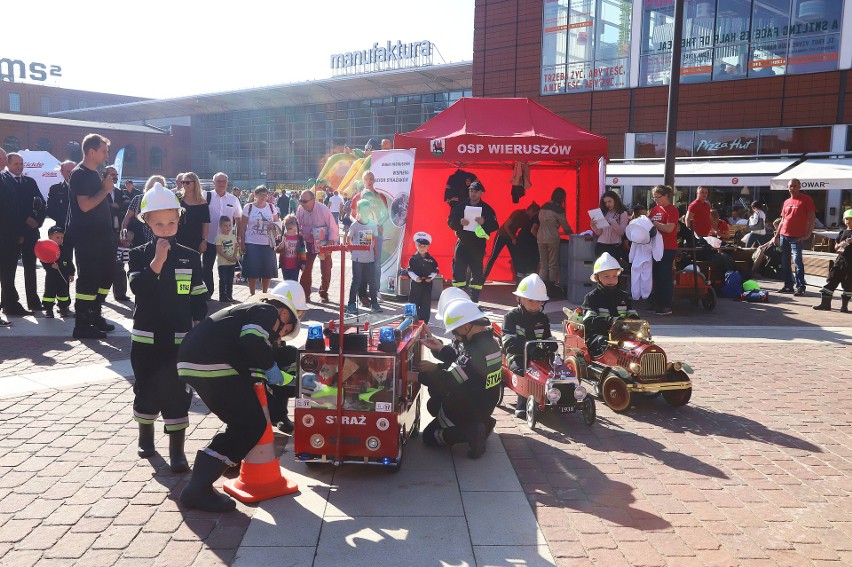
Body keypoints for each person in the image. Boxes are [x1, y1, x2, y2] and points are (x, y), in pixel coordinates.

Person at [177, 292, 300, 512]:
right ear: (283, 313)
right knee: (251, 424)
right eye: (285, 330)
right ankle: (197, 489)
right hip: (211, 363)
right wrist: (272, 369)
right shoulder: (267, 311)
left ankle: (225, 461)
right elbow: (252, 341)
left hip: (195, 362)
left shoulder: (242, 314)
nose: (280, 337)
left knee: (239, 421)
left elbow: (243, 349)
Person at [128, 182, 208, 473]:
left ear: (179, 220)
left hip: (179, 337)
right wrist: (157, 262)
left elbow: (199, 293)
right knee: (147, 387)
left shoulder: (189, 255)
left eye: (171, 222)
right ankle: (145, 436)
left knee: (177, 391)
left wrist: (200, 323)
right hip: (147, 338)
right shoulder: (138, 254)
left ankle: (177, 450)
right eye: (158, 223)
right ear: (146, 221)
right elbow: (139, 288)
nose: (165, 228)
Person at [417, 298, 501, 459]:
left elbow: (449, 380)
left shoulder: (475, 350)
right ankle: (484, 424)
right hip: (485, 404)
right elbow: (464, 363)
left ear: (465, 327)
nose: (455, 337)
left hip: (469, 408)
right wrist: (440, 348)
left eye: (455, 331)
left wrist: (418, 376)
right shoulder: (490, 343)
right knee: (435, 404)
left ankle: (470, 433)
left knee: (429, 436)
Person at [66, 134, 116, 339]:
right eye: (104, 151)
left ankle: (95, 312)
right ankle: (82, 323)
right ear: (91, 151)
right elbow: (85, 205)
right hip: (88, 237)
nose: (107, 155)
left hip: (102, 236)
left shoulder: (95, 173)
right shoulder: (80, 174)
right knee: (89, 279)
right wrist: (105, 190)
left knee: (107, 275)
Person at [501, 273, 554, 419]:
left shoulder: (542, 319)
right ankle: (522, 402)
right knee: (523, 370)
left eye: (539, 302)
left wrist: (551, 345)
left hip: (539, 356)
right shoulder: (511, 317)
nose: (535, 306)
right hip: (517, 355)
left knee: (554, 370)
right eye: (530, 300)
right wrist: (530, 349)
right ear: (519, 299)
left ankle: (554, 395)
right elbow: (509, 343)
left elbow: (547, 337)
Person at [3, 153, 46, 313]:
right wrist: (24, 221)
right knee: (9, 270)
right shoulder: (3, 181)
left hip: (31, 233)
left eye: (21, 164)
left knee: (30, 267)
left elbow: (41, 203)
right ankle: (9, 303)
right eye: (16, 164)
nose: (20, 167)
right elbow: (7, 209)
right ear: (8, 164)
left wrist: (37, 221)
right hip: (12, 233)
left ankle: (33, 301)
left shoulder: (29, 181)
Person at [448, 180, 498, 302]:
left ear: (481, 193)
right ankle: (458, 298)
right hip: (462, 243)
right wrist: (459, 222)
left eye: (476, 191)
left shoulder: (487, 209)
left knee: (477, 271)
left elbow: (495, 226)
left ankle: (474, 299)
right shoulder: (460, 206)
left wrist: (484, 222)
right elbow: (450, 221)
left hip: (477, 245)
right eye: (471, 190)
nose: (473, 193)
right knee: (458, 270)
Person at [582, 252, 638, 358]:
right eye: (606, 276)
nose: (611, 280)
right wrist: (611, 321)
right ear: (597, 278)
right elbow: (589, 321)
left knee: (640, 342)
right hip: (598, 336)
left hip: (621, 335)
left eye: (614, 276)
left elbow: (633, 316)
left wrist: (634, 322)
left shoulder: (624, 297)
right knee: (605, 343)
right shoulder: (592, 297)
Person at [201, 172, 243, 300]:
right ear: (213, 183)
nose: (221, 184)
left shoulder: (233, 199)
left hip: (226, 241)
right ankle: (208, 292)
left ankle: (225, 295)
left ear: (227, 183)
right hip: (209, 239)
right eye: (218, 181)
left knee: (226, 268)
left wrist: (238, 238)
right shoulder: (205, 196)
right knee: (207, 267)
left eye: (224, 181)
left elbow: (239, 220)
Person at [773, 178, 816, 296]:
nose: (792, 188)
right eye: (790, 186)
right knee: (785, 262)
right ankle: (788, 286)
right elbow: (782, 220)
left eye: (794, 186)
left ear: (799, 187)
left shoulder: (806, 199)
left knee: (797, 262)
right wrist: (776, 235)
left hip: (797, 237)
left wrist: (808, 234)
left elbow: (812, 217)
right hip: (784, 235)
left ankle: (801, 286)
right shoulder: (786, 202)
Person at [296, 189, 339, 302]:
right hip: (309, 244)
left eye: (305, 201)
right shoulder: (300, 210)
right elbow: (296, 226)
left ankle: (323, 292)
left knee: (326, 269)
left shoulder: (323, 209)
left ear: (313, 200)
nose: (302, 203)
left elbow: (333, 227)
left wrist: (329, 245)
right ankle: (305, 293)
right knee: (306, 268)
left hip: (324, 244)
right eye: (301, 201)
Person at [483, 202, 540, 281]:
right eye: (534, 213)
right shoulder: (518, 213)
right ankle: (484, 276)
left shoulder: (528, 219)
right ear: (531, 211)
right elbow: (506, 226)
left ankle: (518, 279)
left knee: (516, 257)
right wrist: (513, 238)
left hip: (511, 237)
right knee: (493, 256)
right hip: (502, 235)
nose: (533, 216)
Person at [239, 185, 279, 296]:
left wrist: (274, 226)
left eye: (265, 195)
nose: (263, 197)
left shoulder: (271, 207)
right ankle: (252, 294)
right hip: (252, 242)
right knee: (252, 271)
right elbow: (243, 226)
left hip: (267, 243)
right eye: (260, 195)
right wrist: (241, 242)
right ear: (255, 195)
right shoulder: (249, 207)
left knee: (267, 271)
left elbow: (277, 222)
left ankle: (264, 293)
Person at [648, 184, 679, 316]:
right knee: (656, 275)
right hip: (655, 247)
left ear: (666, 196)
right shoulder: (655, 209)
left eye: (658, 197)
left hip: (668, 247)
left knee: (664, 276)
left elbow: (669, 228)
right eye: (654, 198)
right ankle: (657, 302)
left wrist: (653, 223)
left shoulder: (672, 210)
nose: (656, 200)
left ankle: (666, 305)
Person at [346, 200, 382, 314]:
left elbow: (375, 239)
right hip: (357, 259)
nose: (365, 212)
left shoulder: (372, 224)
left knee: (372, 281)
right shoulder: (355, 225)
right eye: (363, 209)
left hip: (369, 258)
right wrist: (351, 249)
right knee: (356, 281)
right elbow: (348, 238)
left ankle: (374, 303)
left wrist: (375, 251)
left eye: (367, 209)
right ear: (359, 210)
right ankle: (351, 304)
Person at [813, 209, 852, 312]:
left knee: (848, 285)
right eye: (847, 218)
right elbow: (836, 246)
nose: (849, 221)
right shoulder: (842, 232)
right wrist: (841, 244)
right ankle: (825, 304)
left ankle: (844, 306)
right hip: (840, 261)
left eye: (851, 219)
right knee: (831, 280)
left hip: (850, 263)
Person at [102, 165, 132, 302]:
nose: (115, 177)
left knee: (120, 264)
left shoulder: (120, 193)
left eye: (116, 174)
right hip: (102, 234)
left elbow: (127, 206)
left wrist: (116, 209)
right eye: (112, 174)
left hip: (118, 233)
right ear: (104, 176)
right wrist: (111, 207)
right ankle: (99, 295)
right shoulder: (99, 192)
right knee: (101, 265)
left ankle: (120, 293)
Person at [537, 187, 574, 293]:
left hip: (540, 236)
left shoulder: (543, 207)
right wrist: (572, 234)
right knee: (553, 263)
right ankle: (551, 287)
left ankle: (540, 287)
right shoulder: (558, 209)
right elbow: (565, 227)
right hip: (552, 237)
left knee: (543, 263)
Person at [40, 226, 75, 319]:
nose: (60, 240)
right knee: (49, 294)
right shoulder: (47, 249)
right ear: (50, 237)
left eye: (62, 238)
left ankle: (63, 308)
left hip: (63, 276)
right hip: (51, 276)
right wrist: (50, 266)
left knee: (64, 294)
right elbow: (43, 260)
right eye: (57, 237)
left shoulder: (65, 250)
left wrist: (72, 273)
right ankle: (48, 309)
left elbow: (69, 261)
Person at [123, 175, 165, 249]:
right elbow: (127, 218)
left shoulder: (165, 200)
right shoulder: (138, 199)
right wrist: (123, 233)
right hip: (138, 237)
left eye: (161, 186)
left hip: (158, 238)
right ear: (150, 186)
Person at [176, 172, 211, 259]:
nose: (185, 185)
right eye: (183, 182)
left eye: (187, 182)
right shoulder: (177, 198)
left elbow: (205, 223)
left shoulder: (202, 202)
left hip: (196, 239)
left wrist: (204, 241)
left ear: (195, 183)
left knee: (193, 265)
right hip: (178, 238)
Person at [406, 231, 439, 323]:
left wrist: (430, 278)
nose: (422, 248)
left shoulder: (431, 259)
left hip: (427, 284)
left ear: (428, 247)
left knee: (426, 303)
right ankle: (412, 321)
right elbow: (409, 271)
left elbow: (435, 270)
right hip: (416, 284)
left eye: (424, 246)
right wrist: (416, 278)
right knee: (414, 302)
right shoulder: (413, 258)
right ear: (416, 245)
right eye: (420, 245)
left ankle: (424, 322)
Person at [591, 190, 629, 263]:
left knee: (613, 270)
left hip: (614, 246)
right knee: (600, 270)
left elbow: (621, 232)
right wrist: (593, 225)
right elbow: (599, 233)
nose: (607, 204)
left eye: (609, 201)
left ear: (615, 200)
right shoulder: (603, 213)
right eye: (605, 202)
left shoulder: (622, 213)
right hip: (601, 245)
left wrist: (612, 222)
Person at [0, 148, 16, 325]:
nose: (3, 161)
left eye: (5, 158)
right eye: (1, 158)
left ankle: (8, 304)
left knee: (6, 274)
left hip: (7, 236)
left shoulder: (5, 177)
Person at [215, 216, 240, 303]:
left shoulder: (232, 236)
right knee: (223, 279)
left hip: (231, 263)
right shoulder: (219, 237)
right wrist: (228, 258)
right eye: (225, 226)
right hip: (223, 263)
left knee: (230, 280)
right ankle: (222, 296)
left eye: (229, 225)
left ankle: (229, 295)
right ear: (220, 226)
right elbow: (219, 250)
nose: (228, 228)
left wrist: (236, 256)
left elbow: (236, 247)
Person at [275, 214, 306, 281]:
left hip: (295, 265)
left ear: (296, 225)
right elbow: (277, 250)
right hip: (285, 265)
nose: (290, 225)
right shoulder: (282, 237)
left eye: (292, 222)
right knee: (286, 281)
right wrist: (280, 246)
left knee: (294, 281)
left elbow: (303, 250)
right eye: (287, 223)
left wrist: (303, 262)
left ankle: (293, 291)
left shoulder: (299, 237)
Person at [46, 160, 75, 228]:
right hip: (62, 228)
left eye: (73, 171)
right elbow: (50, 209)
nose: (71, 174)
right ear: (61, 172)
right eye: (68, 171)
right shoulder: (55, 189)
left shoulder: (85, 188)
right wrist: (65, 220)